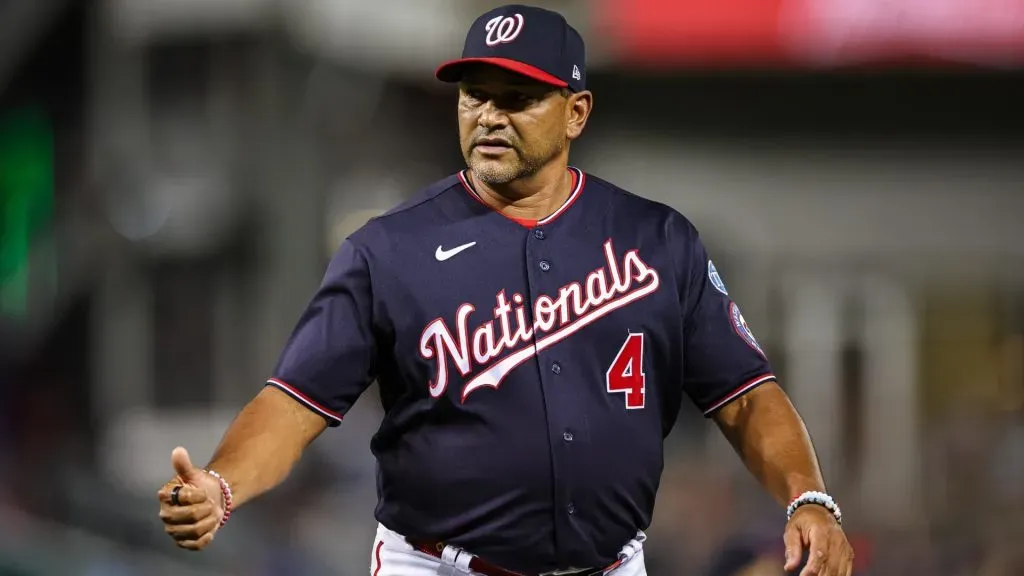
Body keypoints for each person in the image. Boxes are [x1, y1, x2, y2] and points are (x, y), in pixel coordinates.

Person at [156, 4, 855, 576]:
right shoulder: (387, 250)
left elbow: (747, 394)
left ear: (576, 112)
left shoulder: (656, 240)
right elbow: (294, 401)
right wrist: (222, 485)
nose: (489, 115)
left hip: (610, 566)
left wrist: (809, 495)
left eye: (518, 98)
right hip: (437, 567)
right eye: (475, 95)